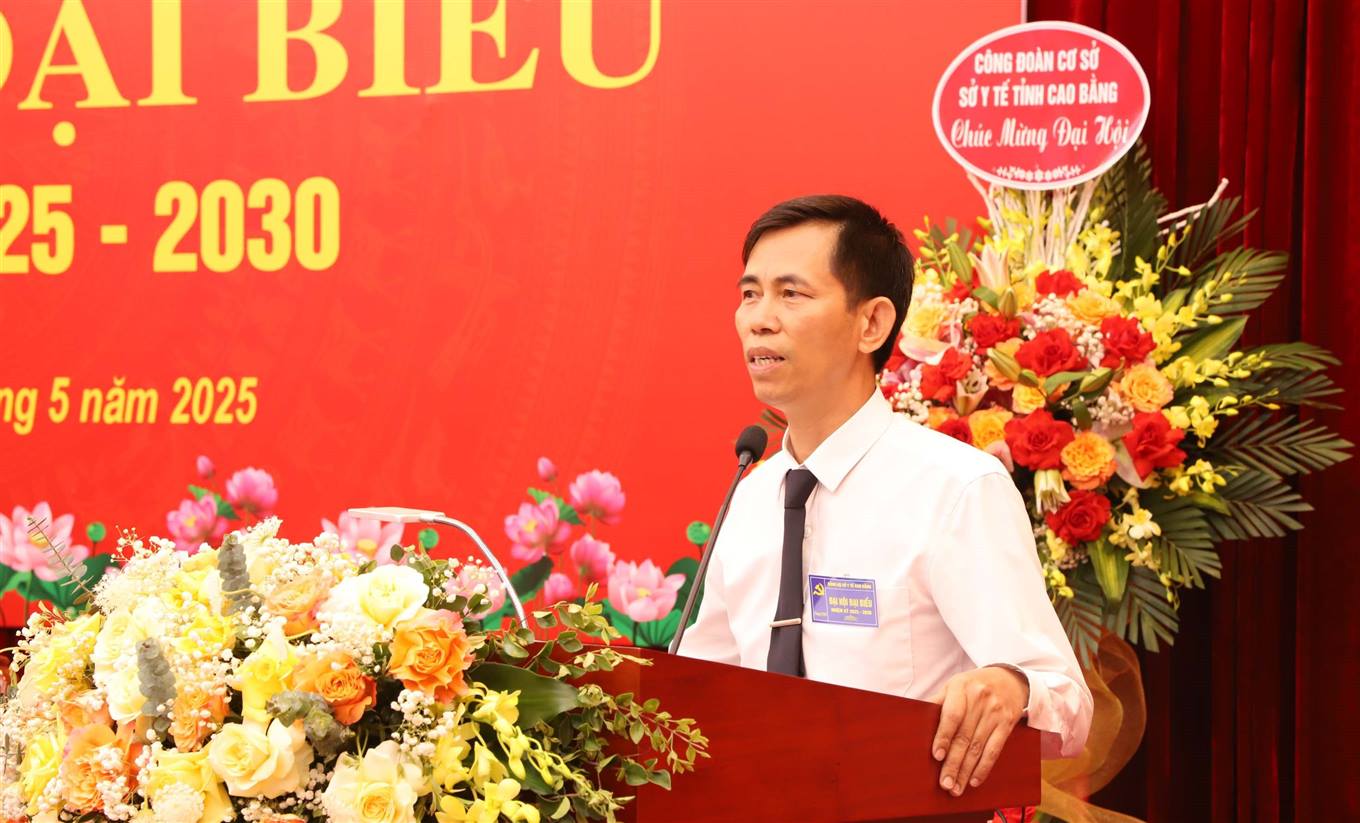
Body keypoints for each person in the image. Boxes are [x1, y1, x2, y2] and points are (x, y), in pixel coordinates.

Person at [677, 194, 1093, 798]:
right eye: (749, 294)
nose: (759, 319)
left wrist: (1012, 686)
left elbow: (1066, 701)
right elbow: (696, 692)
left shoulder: (954, 487)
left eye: (791, 294)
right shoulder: (751, 496)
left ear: (871, 323)